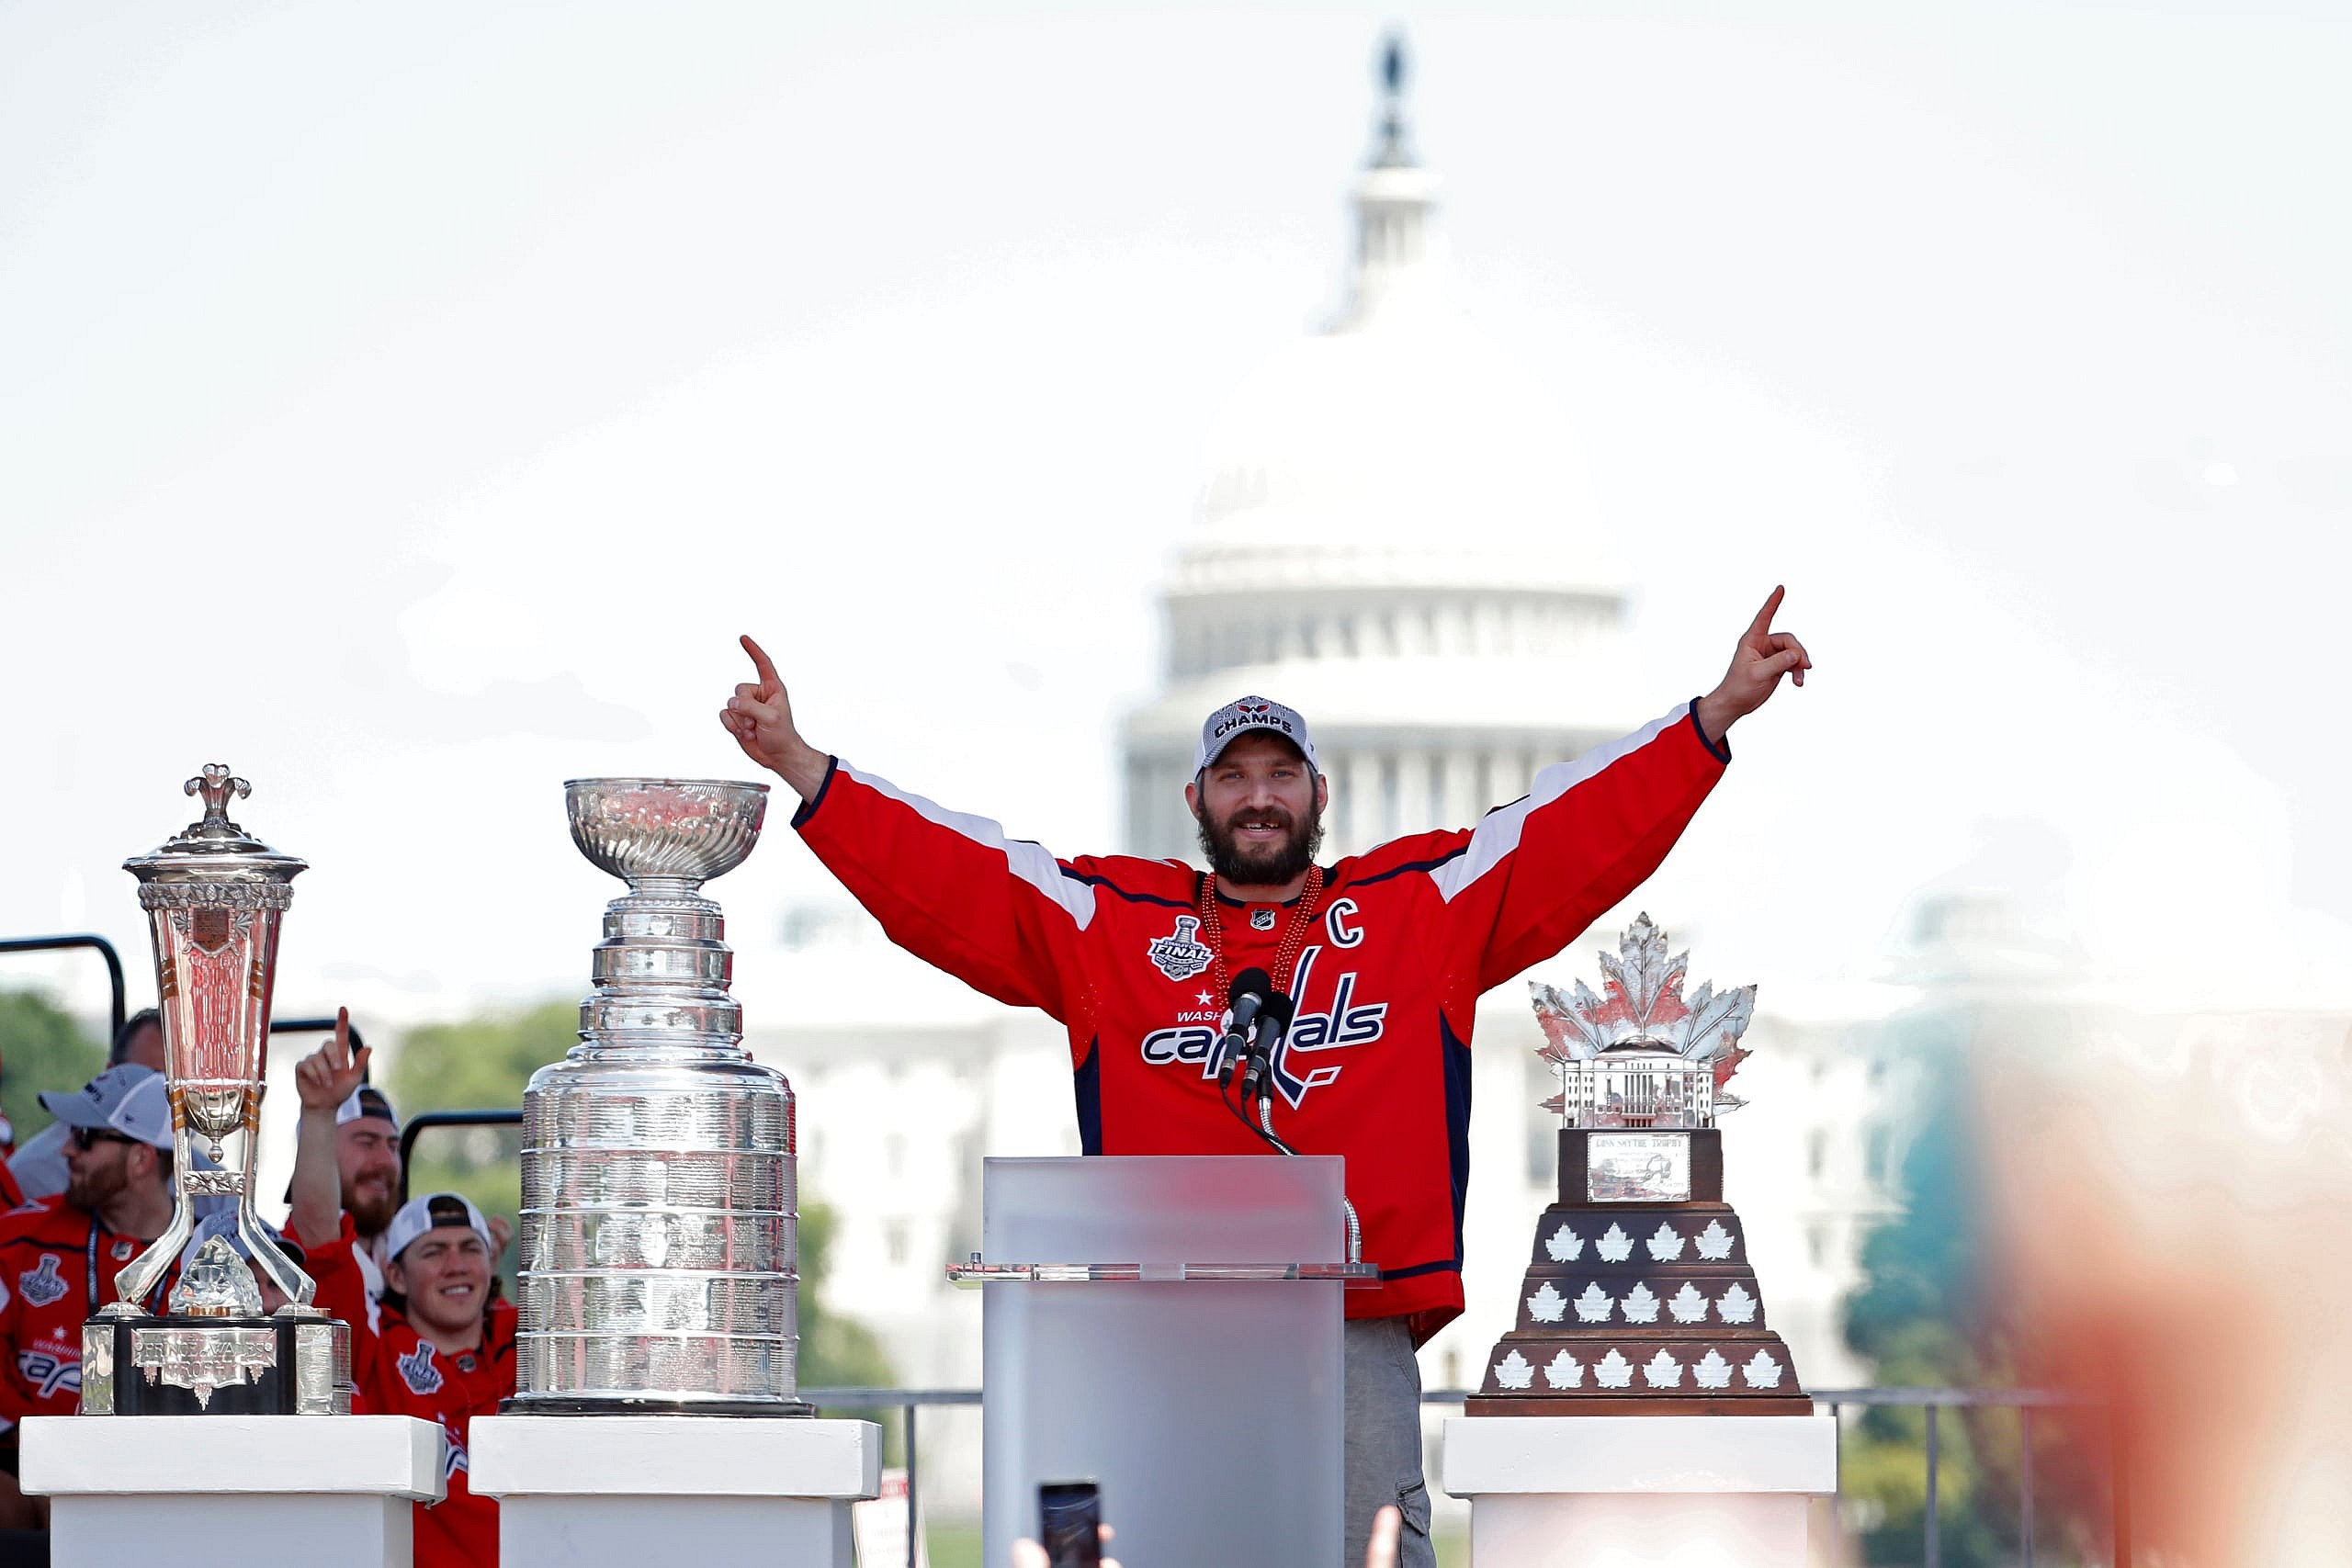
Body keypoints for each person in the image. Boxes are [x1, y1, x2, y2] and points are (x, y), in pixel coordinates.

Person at [721, 588, 1810, 1568]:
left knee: (1367, 1554)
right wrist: (807, 770)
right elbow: (957, 874)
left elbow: (1564, 838)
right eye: (1235, 777)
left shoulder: (1413, 909)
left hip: (1351, 1322)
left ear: (1317, 792)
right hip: (1167, 1329)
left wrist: (1710, 718)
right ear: (1194, 797)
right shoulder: (1114, 925)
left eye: (1278, 775)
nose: (1257, 797)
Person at [288, 1021, 514, 1568]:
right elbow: (320, 1241)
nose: (456, 1265)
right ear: (394, 1274)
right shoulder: (375, 1353)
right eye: (433, 1252)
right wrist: (318, 1116)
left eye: (470, 1249)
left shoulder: (527, 1344)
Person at [0, 1065, 179, 1528]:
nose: (65, 1150)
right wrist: (38, 1469)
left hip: (161, 1497)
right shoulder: (17, 1239)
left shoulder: (212, 1267)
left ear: (141, 1159)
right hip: (24, 1485)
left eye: (84, 1137)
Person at [8, 1009, 166, 1202]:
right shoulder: (34, 1172)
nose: (168, 1094)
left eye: (180, 1081)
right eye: (150, 1078)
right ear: (111, 1073)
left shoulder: (204, 1179)